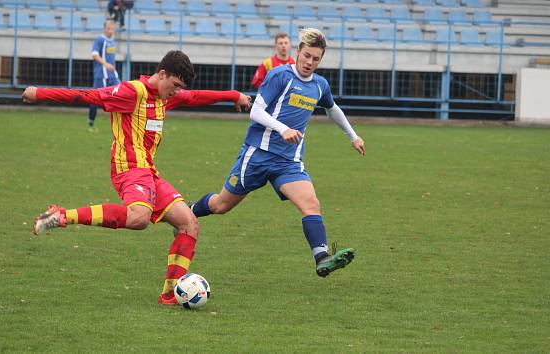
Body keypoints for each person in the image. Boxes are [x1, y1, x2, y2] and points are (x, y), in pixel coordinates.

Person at [22, 50, 252, 305]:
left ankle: (170, 294)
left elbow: (196, 96)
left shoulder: (165, 97)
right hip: (128, 168)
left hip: (149, 172)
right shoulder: (132, 92)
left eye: (180, 87)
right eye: (175, 85)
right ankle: (62, 215)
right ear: (162, 74)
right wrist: (38, 93)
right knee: (139, 218)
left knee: (189, 224)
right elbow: (86, 95)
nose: (176, 91)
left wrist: (235, 95)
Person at [189, 28, 366, 278]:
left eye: (315, 59)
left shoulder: (319, 85)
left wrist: (353, 136)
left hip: (288, 162)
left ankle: (322, 258)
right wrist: (283, 129)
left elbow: (332, 109)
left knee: (311, 204)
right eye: (306, 56)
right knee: (221, 205)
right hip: (258, 155)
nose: (309, 62)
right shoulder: (279, 75)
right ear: (297, 52)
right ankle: (187, 212)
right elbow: (256, 111)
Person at [89, 19, 119, 132]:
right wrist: (106, 65)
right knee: (95, 98)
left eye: (112, 28)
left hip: (113, 75)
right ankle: (91, 123)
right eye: (109, 28)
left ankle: (120, 124)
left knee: (120, 94)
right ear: (104, 28)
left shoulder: (112, 41)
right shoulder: (100, 40)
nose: (111, 30)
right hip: (102, 74)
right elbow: (94, 55)